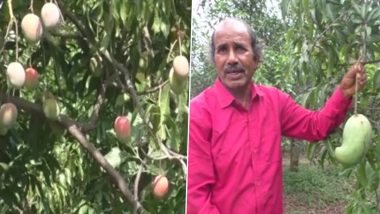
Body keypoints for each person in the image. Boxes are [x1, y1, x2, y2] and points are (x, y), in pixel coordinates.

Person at [187, 18, 367, 214]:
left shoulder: (274, 101)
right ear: (215, 60)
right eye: (222, 50)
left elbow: (316, 126)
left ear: (256, 59)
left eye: (240, 48)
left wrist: (344, 93)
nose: (231, 58)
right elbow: (196, 197)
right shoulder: (198, 113)